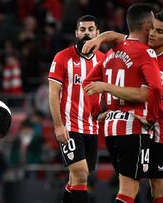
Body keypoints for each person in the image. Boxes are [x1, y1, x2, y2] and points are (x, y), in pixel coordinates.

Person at [82, 10, 163, 203]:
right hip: (143, 126)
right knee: (136, 188)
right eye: (152, 28)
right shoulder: (147, 48)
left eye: (160, 32)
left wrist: (107, 89)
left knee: (161, 193)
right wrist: (101, 37)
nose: (153, 34)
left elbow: (144, 95)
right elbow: (124, 37)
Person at [48, 15, 105, 202]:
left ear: (98, 33)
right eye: (83, 30)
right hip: (70, 126)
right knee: (81, 173)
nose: (86, 33)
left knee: (77, 178)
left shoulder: (104, 61)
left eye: (90, 30)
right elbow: (53, 93)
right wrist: (58, 125)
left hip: (92, 126)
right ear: (76, 33)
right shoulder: (62, 57)